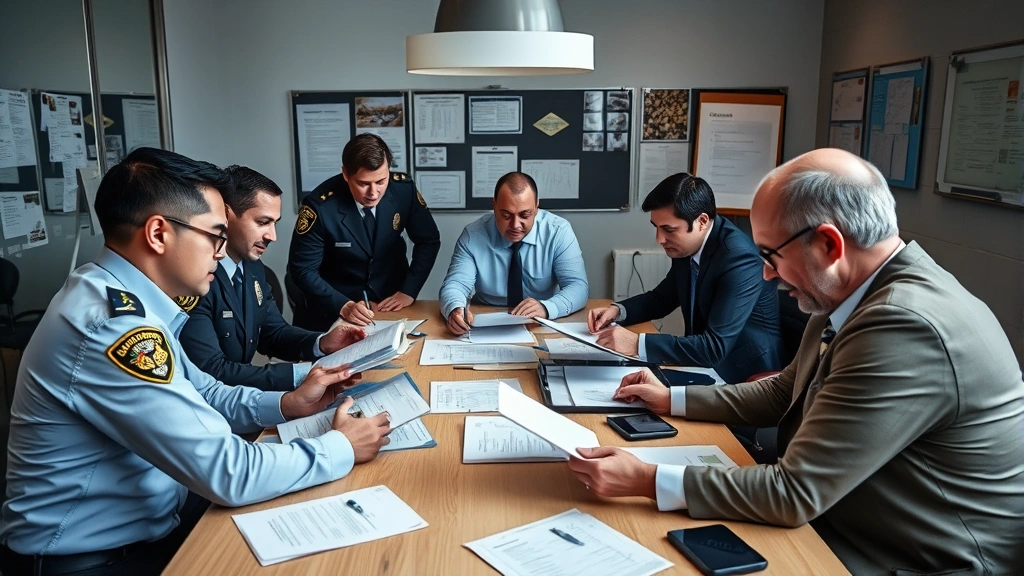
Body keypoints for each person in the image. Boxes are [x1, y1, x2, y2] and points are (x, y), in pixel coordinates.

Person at [566, 149, 1024, 575]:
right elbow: (786, 390)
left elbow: (794, 493)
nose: (766, 273)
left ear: (828, 244)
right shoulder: (852, 294)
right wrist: (672, 398)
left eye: (771, 255)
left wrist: (646, 480)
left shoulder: (903, 325)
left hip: (913, 555)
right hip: (848, 515)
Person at [0, 148, 391, 576]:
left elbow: (202, 390)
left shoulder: (126, 299)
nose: (222, 253)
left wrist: (288, 405)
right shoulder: (113, 328)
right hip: (91, 561)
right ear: (158, 234)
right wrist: (340, 447)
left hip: (154, 524)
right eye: (214, 235)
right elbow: (229, 474)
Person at [177, 165, 365, 392]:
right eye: (263, 222)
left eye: (274, 223)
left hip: (243, 399)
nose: (272, 236)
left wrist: (322, 343)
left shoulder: (253, 268)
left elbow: (273, 332)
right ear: (225, 216)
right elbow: (213, 370)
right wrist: (307, 374)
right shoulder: (194, 277)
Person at [588, 173, 783, 383]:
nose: (660, 239)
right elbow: (662, 299)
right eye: (656, 227)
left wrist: (637, 343)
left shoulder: (739, 258)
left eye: (669, 230)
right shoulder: (688, 246)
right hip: (704, 365)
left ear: (702, 221)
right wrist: (617, 311)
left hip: (744, 375)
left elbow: (714, 348)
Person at [288, 134, 440, 331]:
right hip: (331, 310)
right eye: (363, 183)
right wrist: (343, 305)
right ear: (345, 174)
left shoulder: (404, 190)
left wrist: (408, 290)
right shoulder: (320, 207)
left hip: (388, 307)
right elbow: (302, 270)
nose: (374, 192)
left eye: (381, 181)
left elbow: (428, 240)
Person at [439, 172, 589, 335]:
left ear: (537, 207)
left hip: (539, 321)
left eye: (525, 215)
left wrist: (547, 307)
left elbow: (578, 286)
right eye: (506, 215)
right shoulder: (473, 235)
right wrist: (455, 309)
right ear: (494, 205)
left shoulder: (558, 232)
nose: (516, 225)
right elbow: (456, 284)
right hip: (485, 319)